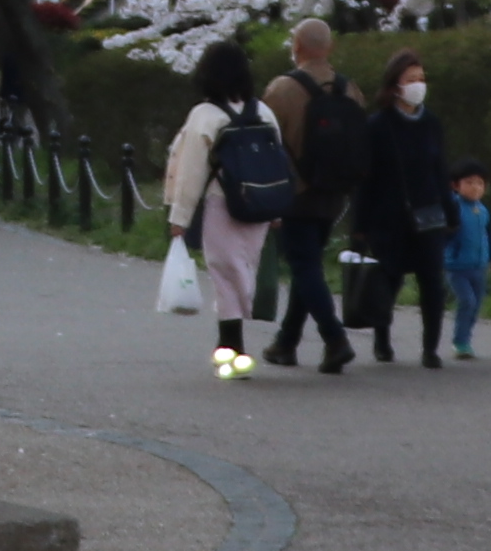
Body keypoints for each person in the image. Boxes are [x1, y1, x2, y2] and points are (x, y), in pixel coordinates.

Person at [158, 36, 276, 381]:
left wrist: (179, 217)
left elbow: (190, 171)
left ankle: (231, 348)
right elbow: (277, 162)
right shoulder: (263, 112)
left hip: (220, 202)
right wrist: (277, 209)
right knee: (243, 267)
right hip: (259, 203)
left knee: (224, 273)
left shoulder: (205, 115)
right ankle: (231, 344)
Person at [260, 23, 372, 373]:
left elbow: (266, 141)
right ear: (330, 47)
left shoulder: (281, 89)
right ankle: (286, 342)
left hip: (294, 191)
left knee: (304, 265)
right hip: (334, 191)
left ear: (296, 46)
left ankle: (335, 339)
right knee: (308, 265)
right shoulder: (350, 89)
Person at [351, 50, 464, 367]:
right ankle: (382, 338)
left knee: (432, 283)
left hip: (428, 215)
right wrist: (360, 226)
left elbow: (439, 170)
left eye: (421, 79)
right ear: (395, 85)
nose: (418, 85)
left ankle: (430, 348)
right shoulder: (378, 126)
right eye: (410, 79)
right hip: (388, 217)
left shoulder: (431, 124)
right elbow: (366, 178)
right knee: (389, 281)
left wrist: (451, 213)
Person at [441, 157, 491, 358]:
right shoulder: (453, 207)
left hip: (478, 266)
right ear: (456, 185)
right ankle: (460, 342)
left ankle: (466, 338)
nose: (475, 187)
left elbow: (489, 234)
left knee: (476, 304)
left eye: (480, 183)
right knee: (467, 301)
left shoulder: (482, 210)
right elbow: (443, 234)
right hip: (457, 266)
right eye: (469, 182)